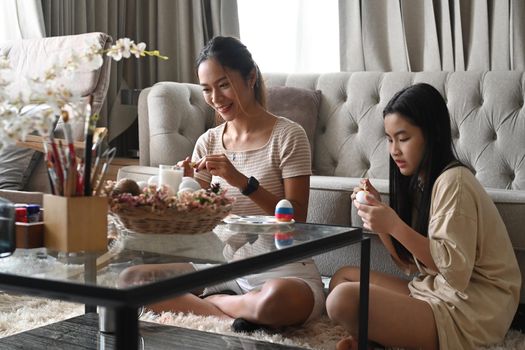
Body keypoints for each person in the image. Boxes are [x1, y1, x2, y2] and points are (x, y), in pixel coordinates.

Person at [118, 36, 325, 332]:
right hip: (221, 266)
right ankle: (233, 318)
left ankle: (216, 306)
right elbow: (196, 222)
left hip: (281, 269)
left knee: (275, 301)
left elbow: (297, 219)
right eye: (206, 89)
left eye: (223, 84)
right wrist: (183, 187)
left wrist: (240, 181)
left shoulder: (289, 135)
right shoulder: (209, 141)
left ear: (251, 77)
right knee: (131, 280)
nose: (215, 98)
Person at [326, 83, 521, 349]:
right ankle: (377, 339)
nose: (394, 150)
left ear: (432, 135)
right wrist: (380, 216)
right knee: (342, 278)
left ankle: (373, 339)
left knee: (343, 300)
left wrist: (393, 223)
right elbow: (408, 264)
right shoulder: (420, 181)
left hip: (472, 308)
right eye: (389, 138)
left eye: (403, 138)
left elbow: (455, 273)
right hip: (435, 289)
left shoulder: (455, 182)